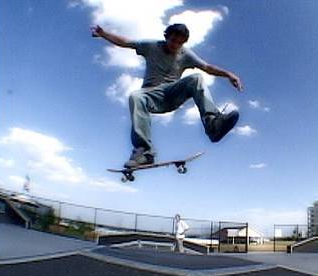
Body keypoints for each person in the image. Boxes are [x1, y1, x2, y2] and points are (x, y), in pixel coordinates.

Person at [91, 23, 243, 168]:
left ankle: (213, 124)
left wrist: (228, 74)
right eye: (173, 40)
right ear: (166, 37)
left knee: (196, 78)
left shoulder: (185, 54)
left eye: (179, 43)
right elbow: (126, 42)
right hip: (151, 95)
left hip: (172, 95)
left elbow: (207, 67)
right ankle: (144, 152)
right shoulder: (151, 46)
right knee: (135, 96)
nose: (175, 45)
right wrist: (104, 34)